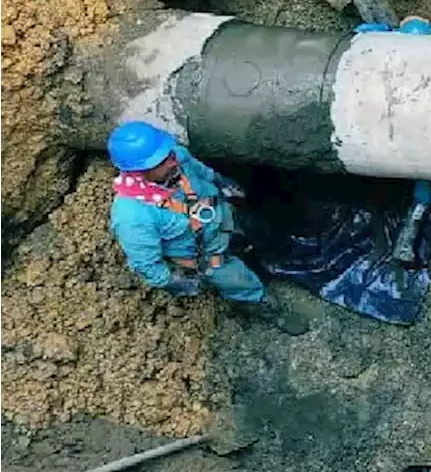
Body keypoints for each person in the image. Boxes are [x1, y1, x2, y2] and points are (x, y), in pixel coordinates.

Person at [106, 120, 305, 333]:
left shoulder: (176, 157)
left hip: (226, 218)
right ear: (138, 171)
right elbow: (145, 264)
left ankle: (261, 253)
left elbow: (202, 171)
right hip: (207, 256)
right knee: (239, 282)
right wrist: (173, 282)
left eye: (168, 155)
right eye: (161, 162)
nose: (172, 162)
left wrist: (223, 182)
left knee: (260, 232)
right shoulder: (132, 216)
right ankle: (261, 305)